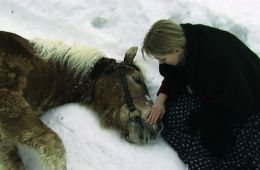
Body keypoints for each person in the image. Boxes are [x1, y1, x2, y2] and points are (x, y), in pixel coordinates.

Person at [141, 19, 260, 170]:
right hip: (212, 94)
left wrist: (197, 92)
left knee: (231, 144)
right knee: (171, 115)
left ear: (176, 50)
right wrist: (160, 100)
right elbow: (174, 76)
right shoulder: (185, 43)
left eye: (162, 59)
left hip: (247, 99)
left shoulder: (214, 58)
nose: (161, 63)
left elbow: (239, 97)